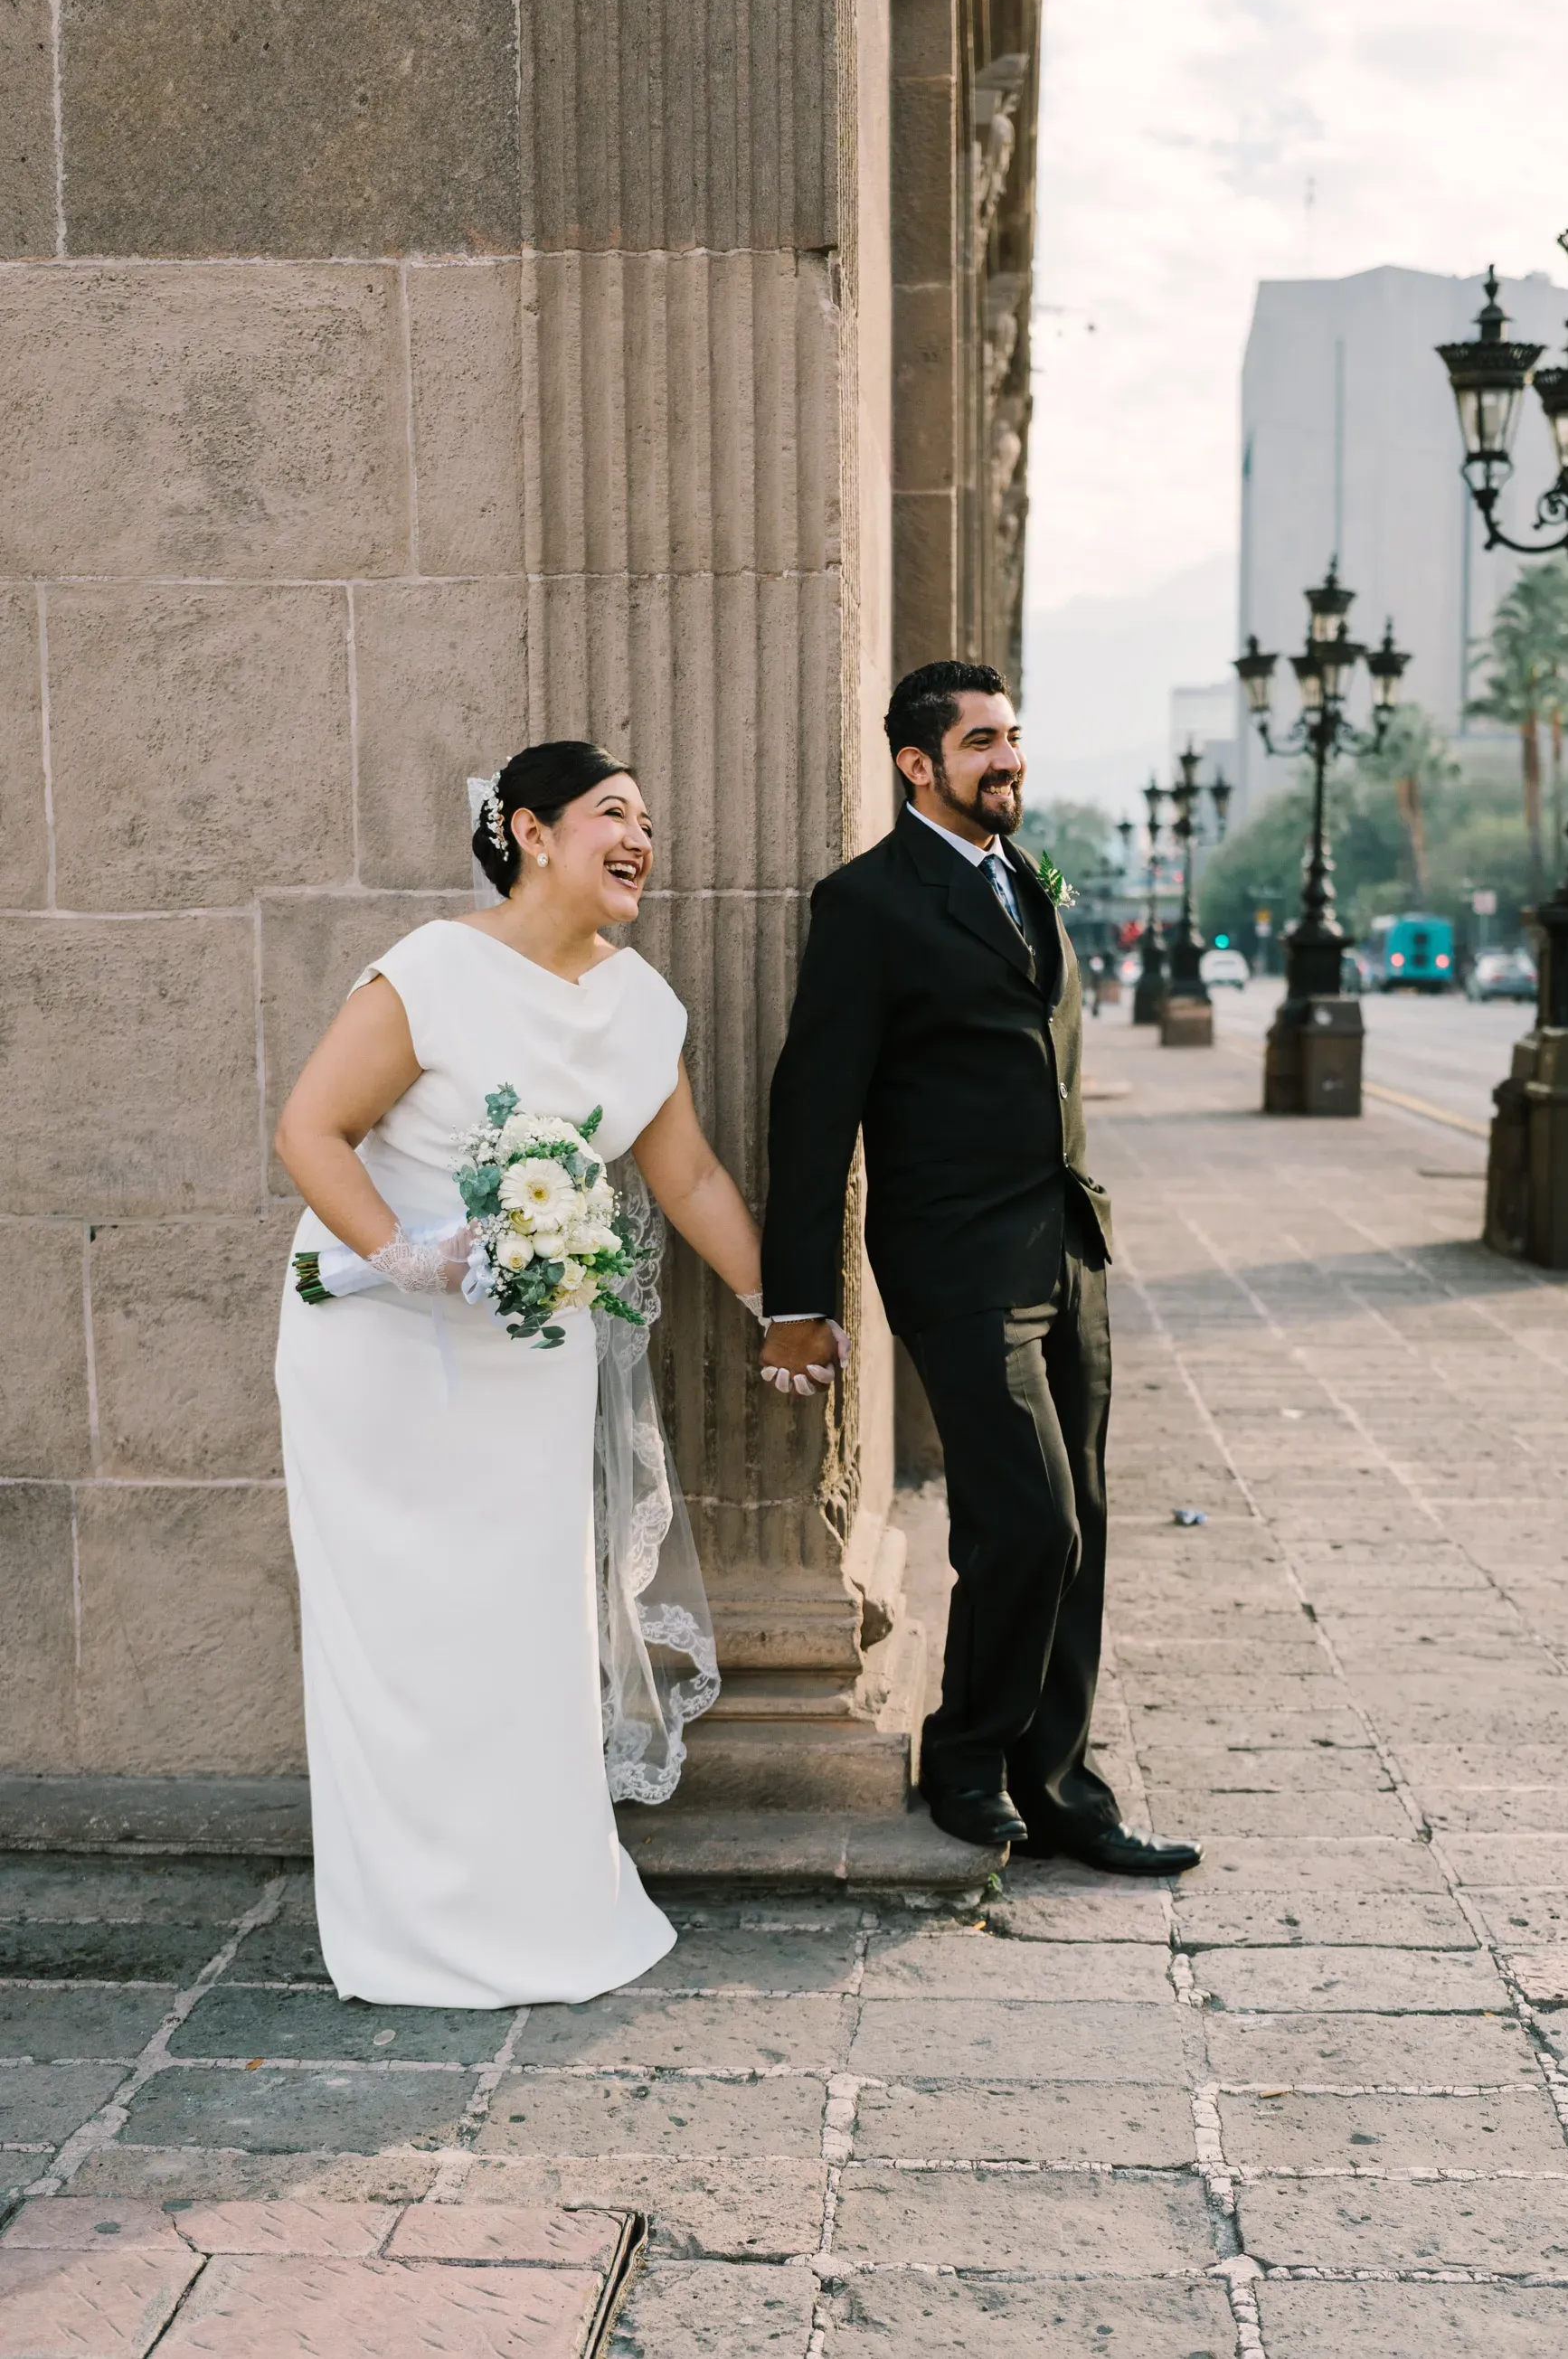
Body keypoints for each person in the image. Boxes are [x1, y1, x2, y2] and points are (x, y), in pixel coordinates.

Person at [273, 741, 791, 2007]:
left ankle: (539, 1902)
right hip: (383, 1352)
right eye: (614, 813)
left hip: (532, 1358)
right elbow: (310, 1127)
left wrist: (787, 1311)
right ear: (530, 830)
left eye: (650, 823)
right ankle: (408, 1920)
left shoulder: (641, 1006)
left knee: (522, 1630)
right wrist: (404, 1255)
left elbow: (694, 1179)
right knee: (405, 1638)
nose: (641, 839)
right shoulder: (433, 972)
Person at [758, 664, 1201, 1876]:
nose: (1008, 759)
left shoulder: (1022, 879)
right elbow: (814, 1108)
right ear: (917, 763)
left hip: (1066, 1243)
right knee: (1031, 1519)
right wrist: (795, 1300)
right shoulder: (867, 904)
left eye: (1013, 737)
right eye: (982, 742)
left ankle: (1054, 1784)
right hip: (956, 1261)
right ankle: (963, 1754)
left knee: (1085, 1521)